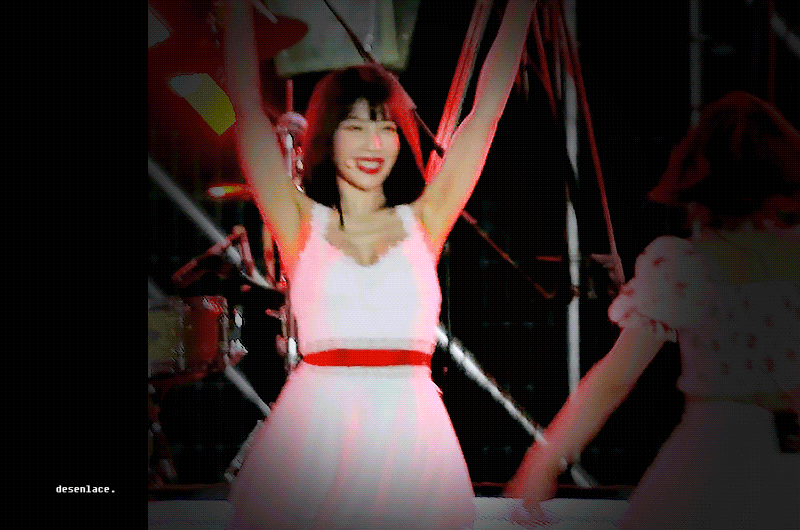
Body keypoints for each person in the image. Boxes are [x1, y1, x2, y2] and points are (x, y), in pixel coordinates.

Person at [222, 0, 536, 528]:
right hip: (316, 432)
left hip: (411, 434)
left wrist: (521, 10)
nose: (373, 144)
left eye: (386, 128)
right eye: (355, 126)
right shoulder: (300, 222)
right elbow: (245, 111)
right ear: (328, 136)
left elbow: (485, 112)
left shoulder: (426, 220)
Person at [504, 91, 800, 529]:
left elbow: (612, 379)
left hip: (712, 450)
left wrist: (543, 461)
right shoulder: (769, 259)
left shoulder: (683, 264)